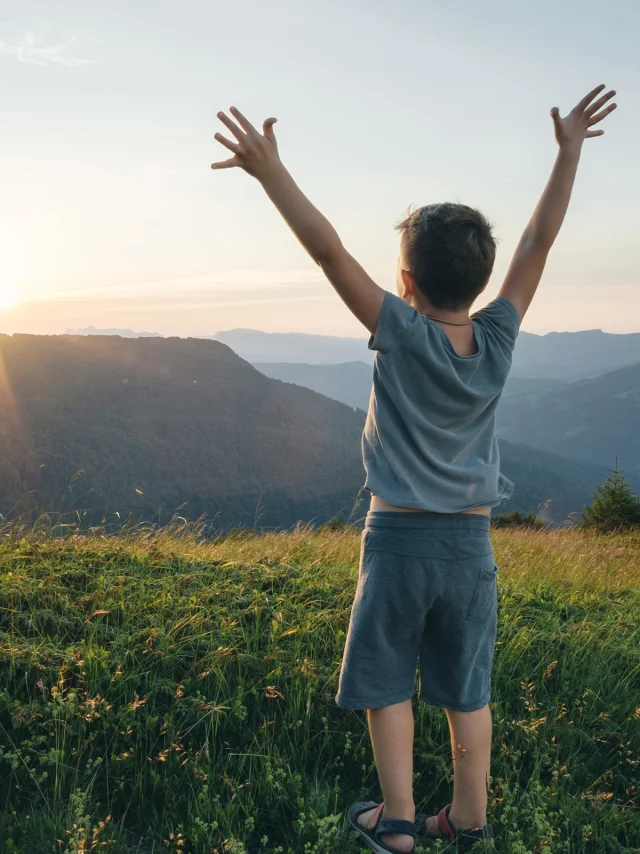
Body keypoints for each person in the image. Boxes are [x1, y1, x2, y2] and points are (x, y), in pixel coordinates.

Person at [211, 84, 617, 853]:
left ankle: (397, 822)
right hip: (471, 549)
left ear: (405, 283)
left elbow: (328, 250)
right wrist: (567, 155)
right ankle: (467, 819)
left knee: (387, 683)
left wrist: (271, 175)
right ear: (478, 280)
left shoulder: (398, 332)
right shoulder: (497, 340)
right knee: (468, 691)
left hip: (396, 541)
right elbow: (537, 246)